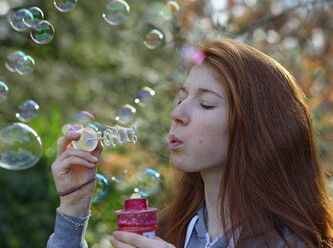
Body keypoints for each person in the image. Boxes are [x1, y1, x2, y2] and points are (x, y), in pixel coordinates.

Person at [47, 38, 333, 248]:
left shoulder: (290, 243)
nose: (176, 114)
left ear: (258, 127)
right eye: (181, 98)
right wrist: (74, 207)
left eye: (205, 104)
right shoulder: (168, 231)